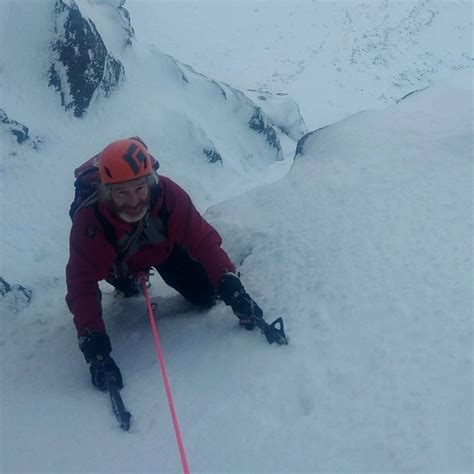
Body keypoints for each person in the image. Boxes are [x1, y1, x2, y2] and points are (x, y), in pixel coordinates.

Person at [66, 137, 263, 392]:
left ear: (150, 181)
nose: (134, 200)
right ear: (107, 191)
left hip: (162, 252)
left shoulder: (168, 195)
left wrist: (231, 286)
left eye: (139, 189)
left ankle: (138, 280)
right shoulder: (90, 222)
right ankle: (127, 285)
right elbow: (81, 283)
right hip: (118, 265)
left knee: (205, 294)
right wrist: (94, 346)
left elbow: (201, 239)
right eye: (122, 193)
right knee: (124, 284)